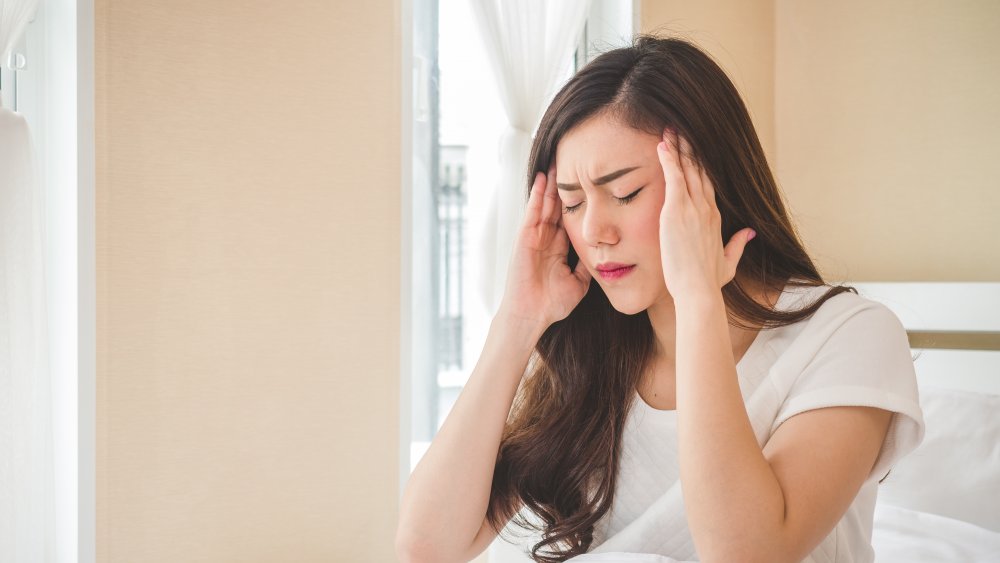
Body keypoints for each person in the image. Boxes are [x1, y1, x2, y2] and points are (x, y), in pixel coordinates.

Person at [395, 34, 925, 563]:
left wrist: (699, 301)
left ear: (710, 186)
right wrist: (517, 322)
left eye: (625, 194)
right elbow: (426, 548)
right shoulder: (587, 356)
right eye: (573, 204)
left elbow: (748, 554)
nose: (595, 231)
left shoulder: (851, 335)